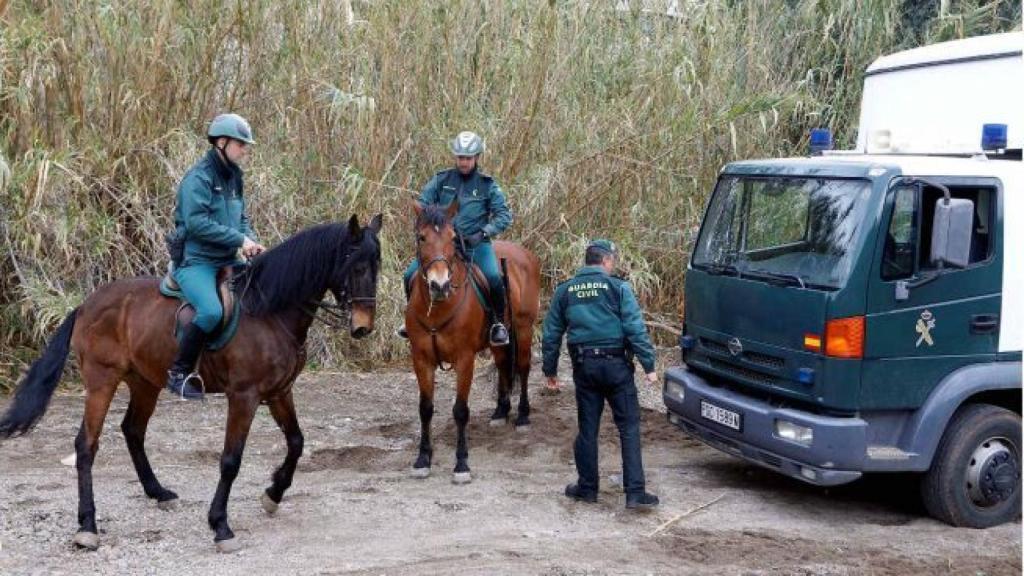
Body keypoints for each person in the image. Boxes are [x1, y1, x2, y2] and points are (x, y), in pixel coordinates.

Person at [542, 239, 660, 509]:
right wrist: (649, 365)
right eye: (612, 260)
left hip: (585, 368)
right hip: (618, 367)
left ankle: (587, 489)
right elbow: (634, 328)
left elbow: (551, 335)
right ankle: (635, 493)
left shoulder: (566, 290)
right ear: (606, 261)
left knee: (588, 430)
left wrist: (549, 370)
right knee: (628, 428)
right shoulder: (618, 287)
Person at [166, 113, 265, 400]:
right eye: (240, 143)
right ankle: (179, 372)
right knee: (211, 311)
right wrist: (239, 239)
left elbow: (241, 217)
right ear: (221, 142)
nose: (245, 149)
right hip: (196, 261)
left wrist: (250, 241)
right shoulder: (197, 178)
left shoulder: (234, 177)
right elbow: (196, 223)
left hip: (227, 258)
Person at [399, 131, 513, 345]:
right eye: (460, 157)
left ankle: (497, 323)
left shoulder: (487, 185)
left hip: (475, 245)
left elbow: (504, 215)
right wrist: (434, 224)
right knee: (409, 275)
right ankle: (411, 319)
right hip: (441, 245)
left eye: (468, 158)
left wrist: (484, 233)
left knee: (493, 278)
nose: (464, 162)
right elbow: (423, 204)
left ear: (477, 157)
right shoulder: (441, 180)